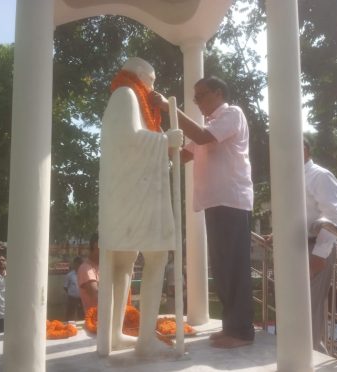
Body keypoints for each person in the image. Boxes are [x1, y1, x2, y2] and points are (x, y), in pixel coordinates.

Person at [153, 76, 254, 348]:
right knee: (222, 269)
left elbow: (200, 137)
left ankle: (243, 332)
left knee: (234, 268)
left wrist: (168, 108)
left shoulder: (232, 114)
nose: (197, 101)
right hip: (215, 203)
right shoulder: (208, 125)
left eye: (201, 95)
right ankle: (231, 326)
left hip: (232, 201)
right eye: (195, 97)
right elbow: (182, 154)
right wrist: (156, 134)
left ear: (219, 93)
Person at [98, 57, 183, 357]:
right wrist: (165, 141)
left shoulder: (129, 97)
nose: (154, 86)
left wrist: (162, 140)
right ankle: (142, 339)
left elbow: (134, 139)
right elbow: (128, 140)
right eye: (153, 79)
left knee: (126, 264)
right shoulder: (126, 95)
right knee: (153, 258)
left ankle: (117, 334)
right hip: (133, 197)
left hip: (134, 195)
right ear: (143, 74)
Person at [303, 139, 337, 353]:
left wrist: (319, 255)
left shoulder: (320, 176)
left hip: (315, 249)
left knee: (309, 308)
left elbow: (333, 216)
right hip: (296, 248)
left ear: (304, 150)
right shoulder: (292, 178)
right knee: (298, 307)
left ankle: (310, 358)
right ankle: (305, 355)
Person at [77, 234, 99, 313]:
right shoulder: (85, 269)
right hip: (95, 321)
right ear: (96, 245)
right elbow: (97, 297)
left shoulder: (104, 267)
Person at [64, 256, 83, 321]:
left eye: (79, 264)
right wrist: (71, 294)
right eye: (75, 264)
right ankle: (68, 327)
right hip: (72, 298)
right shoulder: (69, 275)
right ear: (74, 264)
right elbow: (65, 287)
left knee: (81, 314)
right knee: (70, 315)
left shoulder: (84, 274)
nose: (77, 266)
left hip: (82, 298)